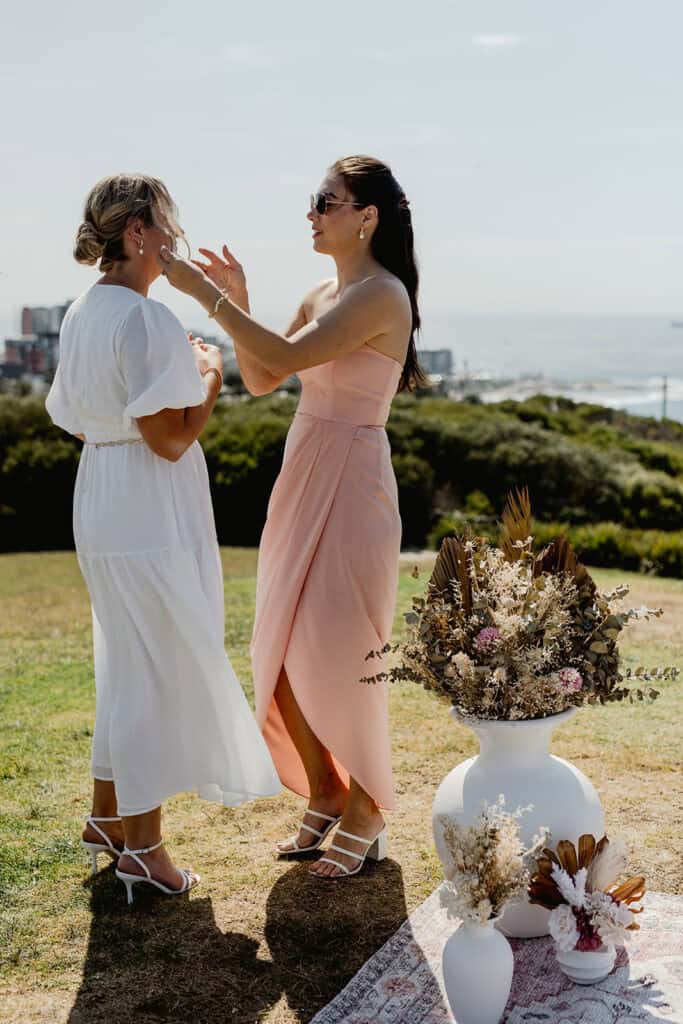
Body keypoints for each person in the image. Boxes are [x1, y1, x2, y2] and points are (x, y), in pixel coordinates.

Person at [159, 155, 424, 879]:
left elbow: (277, 353)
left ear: (366, 216)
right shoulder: (320, 290)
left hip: (353, 477)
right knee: (274, 648)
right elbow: (266, 374)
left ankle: (367, 807)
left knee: (340, 649)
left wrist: (208, 295)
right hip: (304, 467)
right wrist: (238, 296)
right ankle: (327, 790)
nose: (312, 212)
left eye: (325, 201)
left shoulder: (381, 295)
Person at [46, 174, 280, 904]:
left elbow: (77, 419)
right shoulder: (143, 317)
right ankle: (144, 851)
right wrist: (209, 375)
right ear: (138, 231)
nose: (175, 234)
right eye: (167, 222)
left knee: (127, 655)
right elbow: (171, 440)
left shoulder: (85, 307)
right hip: (148, 504)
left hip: (103, 492)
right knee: (153, 666)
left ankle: (108, 817)